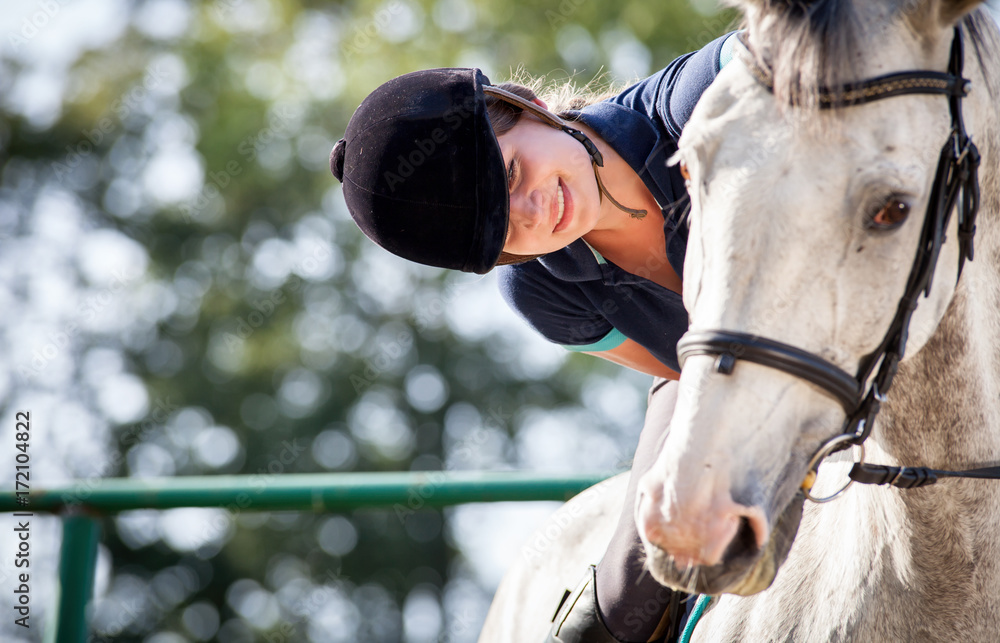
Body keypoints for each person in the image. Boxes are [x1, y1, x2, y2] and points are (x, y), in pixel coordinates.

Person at [330, 31, 739, 643]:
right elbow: (676, 371)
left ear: (532, 109)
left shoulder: (702, 97)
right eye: (504, 230)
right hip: (713, 379)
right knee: (616, 611)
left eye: (515, 170)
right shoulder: (541, 292)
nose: (533, 210)